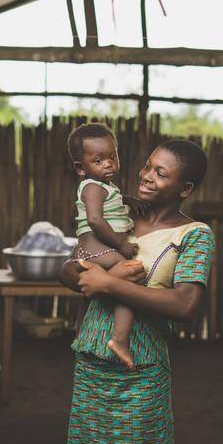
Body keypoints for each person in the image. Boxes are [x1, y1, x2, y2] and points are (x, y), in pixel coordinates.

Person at [55, 139, 215, 444]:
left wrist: (107, 282)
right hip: (92, 357)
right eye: (147, 166)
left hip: (139, 367)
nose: (147, 175)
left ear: (185, 189)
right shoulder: (121, 217)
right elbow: (76, 261)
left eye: (161, 173)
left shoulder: (195, 235)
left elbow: (184, 304)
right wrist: (73, 271)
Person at [68, 122, 147, 369]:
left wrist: (128, 200)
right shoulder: (92, 188)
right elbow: (95, 219)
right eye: (99, 160)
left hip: (93, 252)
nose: (109, 164)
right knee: (130, 278)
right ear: (81, 168)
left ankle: (81, 331)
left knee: (93, 291)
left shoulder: (105, 187)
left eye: (112, 157)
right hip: (99, 250)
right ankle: (120, 339)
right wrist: (120, 245)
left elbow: (111, 204)